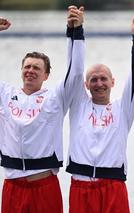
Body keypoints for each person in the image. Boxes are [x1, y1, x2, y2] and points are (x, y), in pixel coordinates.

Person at [0, 7, 84, 213]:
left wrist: (75, 31)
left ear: (46, 75)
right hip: (13, 186)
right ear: (21, 71)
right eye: (27, 67)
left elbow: (75, 72)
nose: (30, 71)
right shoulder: (5, 95)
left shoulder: (55, 98)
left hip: (44, 186)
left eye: (36, 68)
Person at [64, 11, 134, 213]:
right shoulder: (78, 105)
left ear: (113, 82)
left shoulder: (123, 109)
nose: (99, 83)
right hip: (81, 187)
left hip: (113, 186)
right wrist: (75, 31)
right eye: (93, 79)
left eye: (103, 79)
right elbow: (73, 69)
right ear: (86, 84)